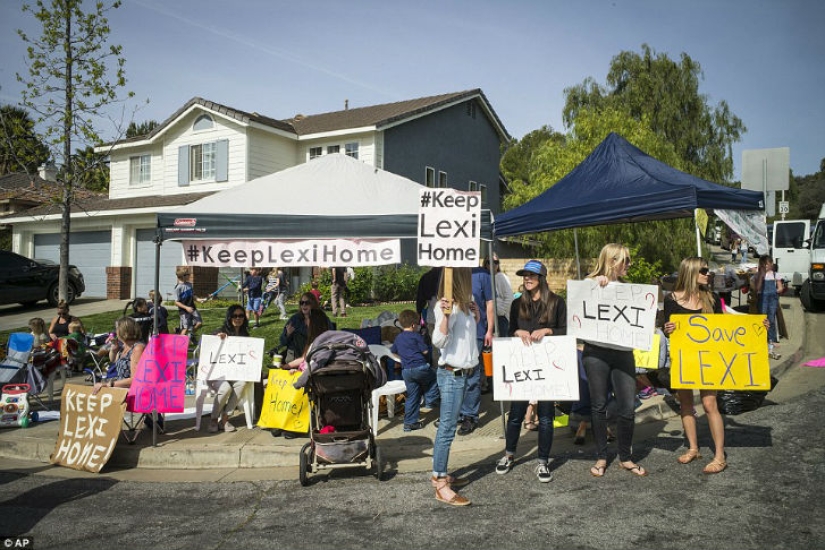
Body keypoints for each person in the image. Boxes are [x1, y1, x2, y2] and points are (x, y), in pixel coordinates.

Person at [494, 260, 566, 483]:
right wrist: (517, 332)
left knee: (545, 416)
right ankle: (509, 455)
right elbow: (509, 329)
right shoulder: (517, 304)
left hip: (547, 366)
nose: (527, 278)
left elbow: (566, 330)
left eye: (531, 275)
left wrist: (548, 329)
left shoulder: (556, 302)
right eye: (525, 275)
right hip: (522, 365)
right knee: (516, 414)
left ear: (541, 278)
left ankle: (543, 461)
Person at [582, 243, 648, 478]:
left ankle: (625, 457)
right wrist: (596, 289)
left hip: (623, 353)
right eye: (625, 261)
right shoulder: (590, 285)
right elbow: (579, 313)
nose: (628, 265)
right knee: (598, 405)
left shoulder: (629, 290)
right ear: (611, 261)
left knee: (627, 406)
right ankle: (601, 456)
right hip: (595, 353)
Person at [663, 256, 728, 474]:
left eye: (707, 270)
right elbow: (666, 328)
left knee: (710, 404)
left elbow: (726, 328)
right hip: (683, 359)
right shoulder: (671, 299)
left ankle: (719, 455)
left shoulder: (712, 298)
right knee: (686, 405)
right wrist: (668, 328)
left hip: (708, 359)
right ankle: (693, 448)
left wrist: (758, 325)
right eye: (703, 270)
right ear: (690, 272)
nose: (707, 274)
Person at [430, 267, 479, 506]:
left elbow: (468, 337)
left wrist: (476, 315)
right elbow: (438, 341)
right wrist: (446, 318)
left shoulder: (468, 301)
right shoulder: (445, 305)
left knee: (449, 427)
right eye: (467, 273)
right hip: (451, 374)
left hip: (466, 373)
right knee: (447, 429)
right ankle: (440, 482)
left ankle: (442, 473)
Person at [272, 307, 332, 439]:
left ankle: (293, 426)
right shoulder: (312, 340)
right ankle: (282, 422)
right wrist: (286, 366)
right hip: (304, 372)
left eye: (308, 320)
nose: (305, 322)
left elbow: (318, 363)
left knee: (295, 389)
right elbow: (303, 358)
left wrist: (302, 372)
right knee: (284, 383)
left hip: (314, 376)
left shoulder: (325, 342)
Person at [456, 261, 494, 435]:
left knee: (471, 374)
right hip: (455, 333)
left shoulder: (482, 275)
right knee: (456, 374)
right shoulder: (451, 272)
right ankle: (459, 412)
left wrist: (490, 330)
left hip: (477, 332)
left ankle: (470, 415)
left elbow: (490, 304)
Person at [391, 309, 438, 432]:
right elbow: (425, 352)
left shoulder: (398, 337)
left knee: (413, 396)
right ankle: (431, 400)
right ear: (413, 325)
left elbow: (393, 351)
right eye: (417, 325)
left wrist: (403, 358)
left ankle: (409, 423)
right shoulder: (416, 336)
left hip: (406, 371)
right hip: (420, 367)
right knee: (436, 377)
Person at [208, 305, 252, 433]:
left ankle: (225, 419)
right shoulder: (221, 331)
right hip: (218, 374)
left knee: (242, 383)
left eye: (241, 316)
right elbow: (207, 345)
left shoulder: (245, 335)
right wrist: (217, 338)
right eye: (235, 316)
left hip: (235, 374)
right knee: (225, 388)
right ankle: (213, 419)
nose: (238, 318)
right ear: (229, 317)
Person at [92, 316, 145, 395]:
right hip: (121, 390)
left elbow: (136, 379)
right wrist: (114, 347)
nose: (115, 332)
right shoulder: (124, 346)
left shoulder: (137, 348)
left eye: (116, 329)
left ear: (123, 331)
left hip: (133, 394)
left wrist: (110, 384)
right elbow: (113, 360)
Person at [277, 293, 332, 362]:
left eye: (307, 303)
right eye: (301, 303)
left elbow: (330, 336)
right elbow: (283, 342)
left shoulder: (321, 318)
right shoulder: (294, 319)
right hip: (294, 357)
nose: (304, 305)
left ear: (313, 304)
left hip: (315, 356)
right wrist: (287, 334)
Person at [752, 255, 783, 360]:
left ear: (771, 264)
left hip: (772, 298)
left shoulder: (775, 274)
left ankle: (772, 339)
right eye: (763, 264)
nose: (765, 266)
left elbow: (780, 288)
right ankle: (763, 338)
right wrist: (761, 275)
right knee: (763, 318)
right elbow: (757, 288)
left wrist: (775, 291)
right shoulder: (759, 275)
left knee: (771, 318)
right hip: (762, 298)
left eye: (767, 264)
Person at [485, 255, 514, 338]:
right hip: (487, 317)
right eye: (490, 262)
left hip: (500, 318)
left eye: (496, 262)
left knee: (500, 345)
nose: (493, 264)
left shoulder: (501, 277)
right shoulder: (485, 278)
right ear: (485, 264)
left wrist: (501, 312)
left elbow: (509, 298)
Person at [174, 267, 203, 336]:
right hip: (184, 311)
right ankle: (180, 344)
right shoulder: (178, 288)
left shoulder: (189, 284)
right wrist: (186, 308)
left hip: (193, 308)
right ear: (183, 276)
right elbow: (176, 302)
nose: (190, 275)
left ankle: (191, 334)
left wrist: (199, 299)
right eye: (188, 274)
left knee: (199, 323)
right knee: (185, 328)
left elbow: (193, 295)